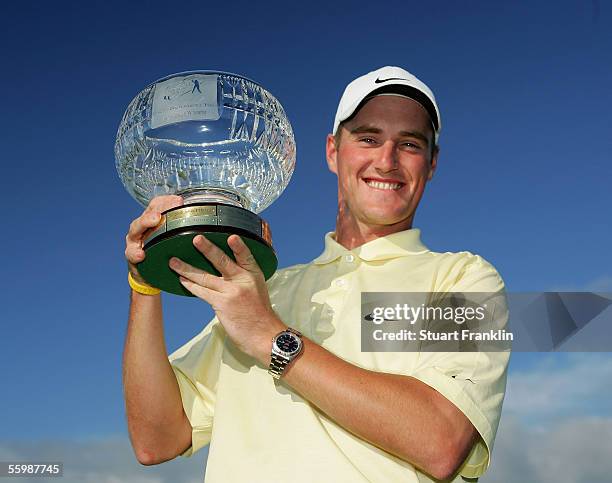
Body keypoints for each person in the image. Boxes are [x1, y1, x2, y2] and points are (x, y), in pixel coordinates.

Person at [123, 66, 510, 482]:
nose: (386, 160)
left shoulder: (463, 279)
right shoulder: (265, 291)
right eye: (368, 138)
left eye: (410, 144)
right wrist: (145, 283)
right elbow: (156, 439)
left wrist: (269, 337)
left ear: (431, 164)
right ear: (332, 151)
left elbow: (440, 440)